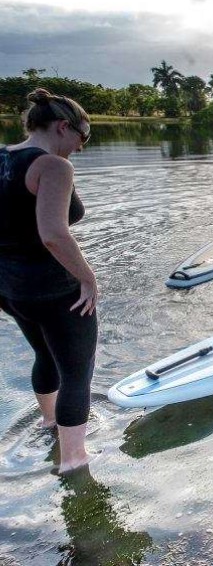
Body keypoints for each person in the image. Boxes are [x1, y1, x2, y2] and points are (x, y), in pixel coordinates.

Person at [0, 88, 98, 474]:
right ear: (62, 127)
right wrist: (87, 277)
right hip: (53, 287)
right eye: (82, 137)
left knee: (45, 354)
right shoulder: (53, 167)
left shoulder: (2, 157)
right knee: (78, 371)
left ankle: (49, 423)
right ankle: (74, 460)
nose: (80, 147)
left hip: (10, 288)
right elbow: (53, 234)